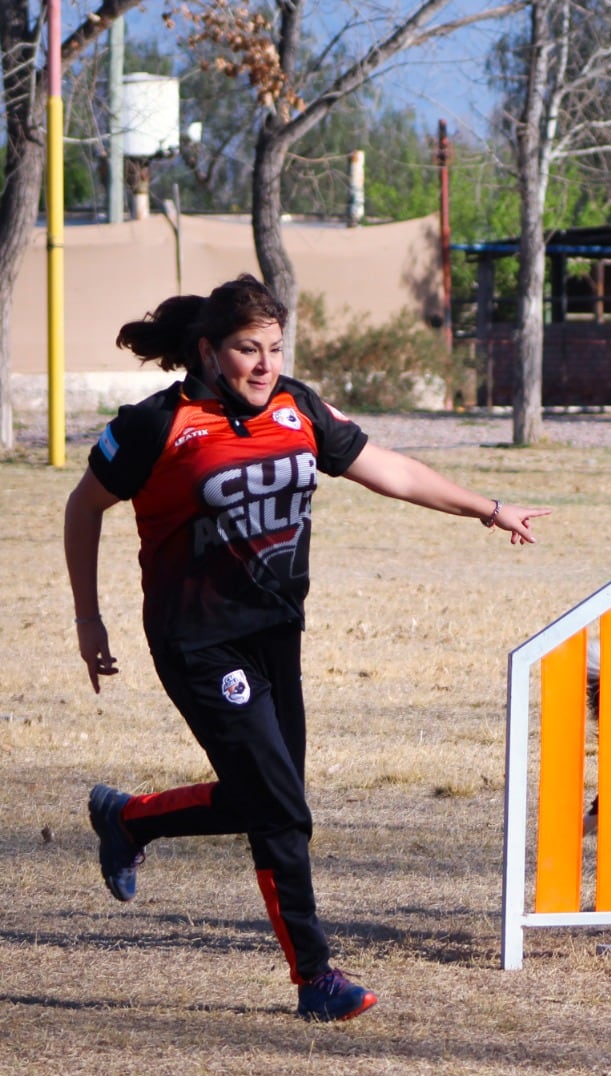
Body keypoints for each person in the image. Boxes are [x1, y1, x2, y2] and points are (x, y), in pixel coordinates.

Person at [65, 274, 551, 1023]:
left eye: (273, 348)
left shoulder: (297, 406)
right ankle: (316, 978)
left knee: (268, 797)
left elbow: (387, 468)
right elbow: (83, 505)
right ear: (207, 350)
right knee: (284, 811)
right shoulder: (157, 425)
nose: (263, 364)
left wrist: (487, 509)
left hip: (273, 634)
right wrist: (88, 619)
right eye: (245, 349)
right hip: (196, 642)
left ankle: (132, 820)